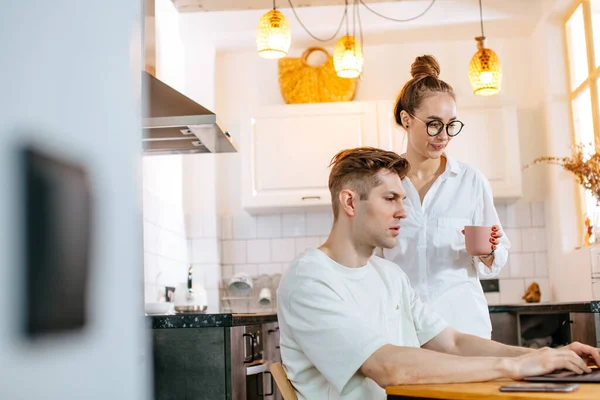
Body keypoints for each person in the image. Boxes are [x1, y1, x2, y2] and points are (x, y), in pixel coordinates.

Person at [277, 147, 600, 400]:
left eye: (402, 199)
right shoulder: (309, 280)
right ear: (349, 201)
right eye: (390, 199)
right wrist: (514, 366)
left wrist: (545, 355)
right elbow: (387, 367)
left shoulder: (389, 274)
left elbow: (453, 342)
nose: (403, 211)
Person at [383, 54, 509, 339]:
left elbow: (497, 256)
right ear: (406, 119)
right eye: (433, 124)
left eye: (451, 124)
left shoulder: (470, 182)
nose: (444, 135)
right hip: (403, 332)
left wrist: (489, 251)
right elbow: (371, 258)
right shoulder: (385, 184)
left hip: (464, 329)